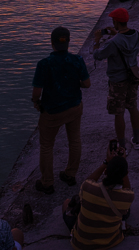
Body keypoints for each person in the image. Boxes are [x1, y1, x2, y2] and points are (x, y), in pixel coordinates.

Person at [32, 26, 91, 195]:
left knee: (46, 146)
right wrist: (74, 84)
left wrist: (36, 103)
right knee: (74, 140)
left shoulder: (44, 64)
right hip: (74, 107)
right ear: (69, 42)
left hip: (52, 112)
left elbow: (36, 93)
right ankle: (70, 174)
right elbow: (87, 84)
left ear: (52, 44)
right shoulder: (77, 60)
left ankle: (47, 182)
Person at [63, 144, 135, 250]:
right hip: (110, 242)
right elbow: (127, 189)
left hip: (80, 244)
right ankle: (121, 224)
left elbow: (89, 180)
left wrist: (106, 162)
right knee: (125, 210)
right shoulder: (127, 197)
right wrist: (122, 163)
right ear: (126, 174)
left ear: (105, 171)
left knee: (67, 202)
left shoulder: (88, 187)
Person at [93, 8, 139, 149]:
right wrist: (116, 34)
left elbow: (98, 55)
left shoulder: (113, 43)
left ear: (115, 21)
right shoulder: (137, 35)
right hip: (132, 77)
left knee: (118, 113)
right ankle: (137, 141)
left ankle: (122, 146)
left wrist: (97, 41)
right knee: (133, 108)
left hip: (117, 81)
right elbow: (126, 43)